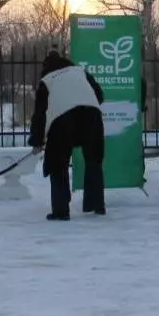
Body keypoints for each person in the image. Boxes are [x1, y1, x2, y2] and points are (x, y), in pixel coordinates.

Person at [28, 50, 106, 221]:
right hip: (91, 116)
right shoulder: (80, 72)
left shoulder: (47, 81)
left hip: (62, 121)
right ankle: (96, 204)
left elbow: (39, 114)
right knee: (94, 161)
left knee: (58, 165)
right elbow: (99, 96)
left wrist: (37, 140)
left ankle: (61, 211)